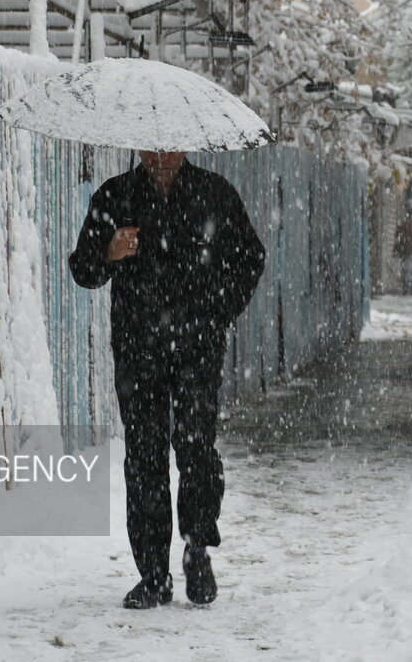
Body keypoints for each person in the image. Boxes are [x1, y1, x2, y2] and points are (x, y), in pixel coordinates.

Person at [69, 150, 265, 610]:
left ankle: (197, 548)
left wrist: (217, 312)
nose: (159, 155)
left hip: (197, 348)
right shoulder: (116, 196)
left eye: (168, 145)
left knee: (196, 446)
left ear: (185, 145)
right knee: (144, 457)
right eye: (150, 146)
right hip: (139, 351)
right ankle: (153, 574)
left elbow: (250, 258)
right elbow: (83, 270)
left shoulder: (214, 194)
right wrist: (108, 252)